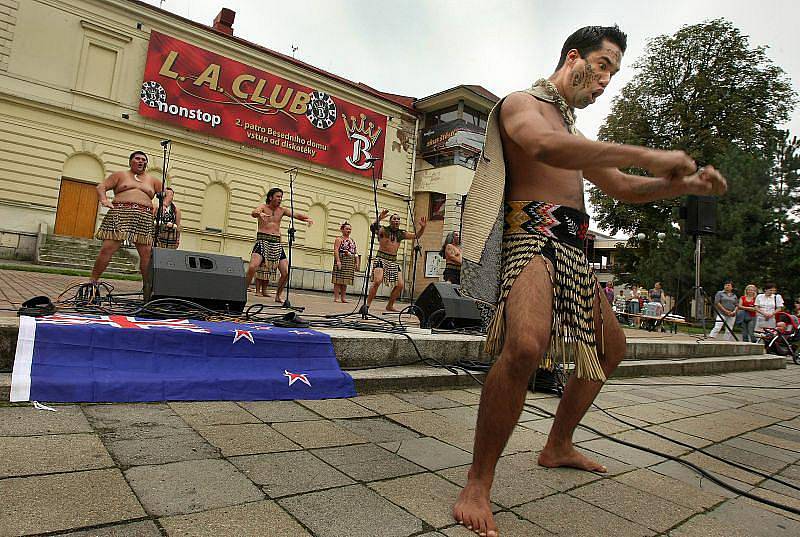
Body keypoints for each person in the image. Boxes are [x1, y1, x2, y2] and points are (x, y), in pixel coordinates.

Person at [454, 25, 727, 537]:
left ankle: (557, 444)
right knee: (526, 346)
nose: (605, 81)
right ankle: (477, 481)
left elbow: (621, 187)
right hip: (529, 236)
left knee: (610, 349)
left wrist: (684, 184)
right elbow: (544, 148)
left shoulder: (574, 133)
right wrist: (646, 154)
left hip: (573, 249)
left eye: (613, 74)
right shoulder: (522, 104)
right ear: (574, 58)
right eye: (602, 66)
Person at [91, 151, 162, 282]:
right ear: (131, 161)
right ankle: (93, 281)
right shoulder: (120, 175)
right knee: (107, 248)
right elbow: (101, 187)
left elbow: (167, 193)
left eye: (144, 159)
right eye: (138, 159)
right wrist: (104, 200)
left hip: (143, 216)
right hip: (120, 213)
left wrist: (161, 206)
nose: (141, 161)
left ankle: (147, 288)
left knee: (146, 254)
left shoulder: (153, 180)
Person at [245, 188, 313, 303]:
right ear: (271, 197)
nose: (280, 199)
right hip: (263, 240)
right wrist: (259, 213)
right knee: (252, 267)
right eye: (278, 196)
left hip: (276, 242)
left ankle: (278, 296)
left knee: (286, 272)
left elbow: (296, 215)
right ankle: (242, 291)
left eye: (281, 197)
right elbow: (254, 213)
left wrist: (307, 218)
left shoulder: (282, 210)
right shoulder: (263, 207)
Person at [366, 210, 427, 312]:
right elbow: (373, 227)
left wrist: (423, 228)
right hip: (381, 258)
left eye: (398, 219)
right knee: (377, 281)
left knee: (400, 285)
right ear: (390, 221)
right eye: (394, 219)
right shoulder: (383, 230)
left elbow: (416, 236)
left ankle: (389, 306)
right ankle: (367, 305)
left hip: (393, 260)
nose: (396, 220)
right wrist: (380, 217)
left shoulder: (401, 233)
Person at [332, 222, 358, 303]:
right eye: (347, 229)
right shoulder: (339, 239)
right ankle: (336, 297)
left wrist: (356, 262)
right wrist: (338, 261)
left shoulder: (352, 240)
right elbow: (336, 250)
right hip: (342, 259)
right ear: (342, 229)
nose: (348, 230)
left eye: (350, 229)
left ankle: (343, 298)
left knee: (345, 281)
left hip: (350, 261)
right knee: (338, 280)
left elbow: (355, 252)